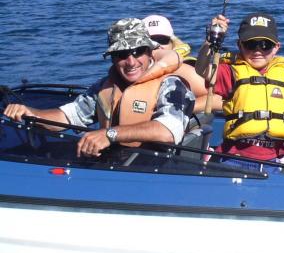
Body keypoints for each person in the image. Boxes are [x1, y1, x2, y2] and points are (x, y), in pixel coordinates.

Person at [3, 18, 195, 158]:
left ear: (149, 52)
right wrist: (31, 113)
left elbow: (169, 130)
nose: (131, 61)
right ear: (112, 58)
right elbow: (67, 116)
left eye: (137, 52)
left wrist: (109, 134)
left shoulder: (171, 85)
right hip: (114, 166)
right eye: (121, 54)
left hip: (155, 170)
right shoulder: (104, 87)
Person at [196, 11, 284, 170]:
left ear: (276, 47)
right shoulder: (229, 71)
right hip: (234, 159)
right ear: (239, 45)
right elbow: (202, 69)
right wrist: (211, 40)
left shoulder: (280, 72)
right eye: (251, 44)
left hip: (272, 161)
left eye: (265, 45)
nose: (258, 51)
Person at [143, 13, 212, 113]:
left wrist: (184, 109)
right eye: (151, 41)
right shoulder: (129, 69)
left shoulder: (184, 69)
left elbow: (218, 98)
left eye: (163, 40)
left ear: (172, 43)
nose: (157, 46)